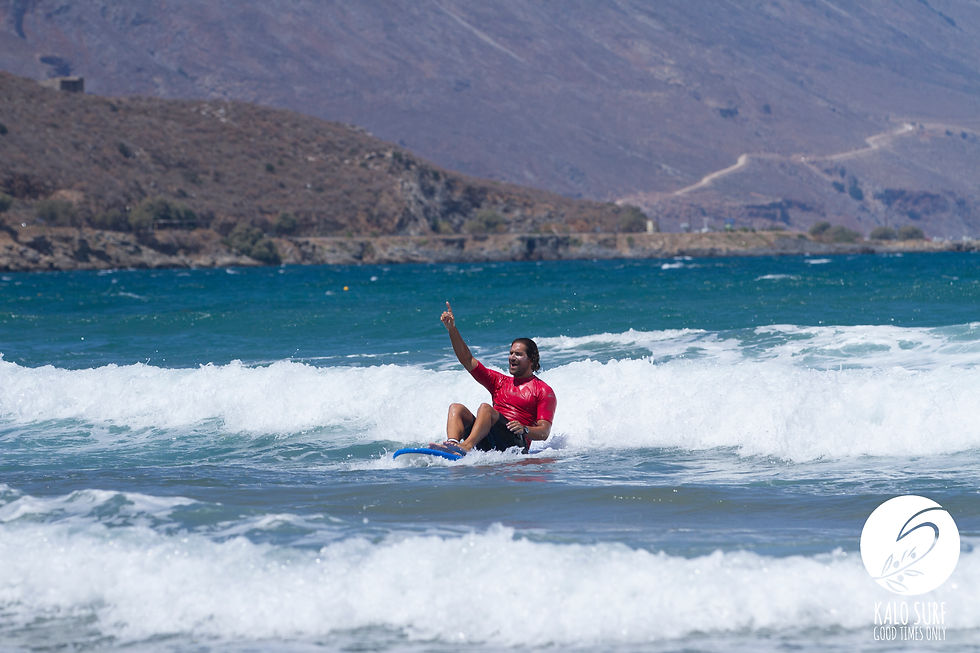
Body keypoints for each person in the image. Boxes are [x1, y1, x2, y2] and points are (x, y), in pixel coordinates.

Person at [431, 302, 557, 457]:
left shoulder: (543, 390)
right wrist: (452, 330)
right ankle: (452, 444)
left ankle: (465, 447)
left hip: (515, 445)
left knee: (486, 409)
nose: (512, 357)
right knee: (456, 408)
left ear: (531, 359)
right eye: (511, 353)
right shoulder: (499, 381)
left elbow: (544, 431)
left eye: (518, 354)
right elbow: (467, 359)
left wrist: (524, 429)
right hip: (489, 440)